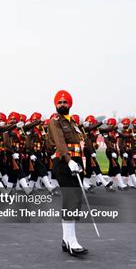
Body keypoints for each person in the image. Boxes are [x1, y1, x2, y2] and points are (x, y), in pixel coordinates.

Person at [48, 90, 88, 256]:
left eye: (65, 102)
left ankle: (66, 239)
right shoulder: (55, 122)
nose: (62, 105)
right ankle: (72, 241)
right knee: (71, 198)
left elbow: (82, 143)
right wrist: (68, 160)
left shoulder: (74, 124)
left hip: (76, 162)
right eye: (60, 103)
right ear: (56, 105)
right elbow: (60, 142)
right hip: (63, 162)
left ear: (70, 104)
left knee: (75, 198)